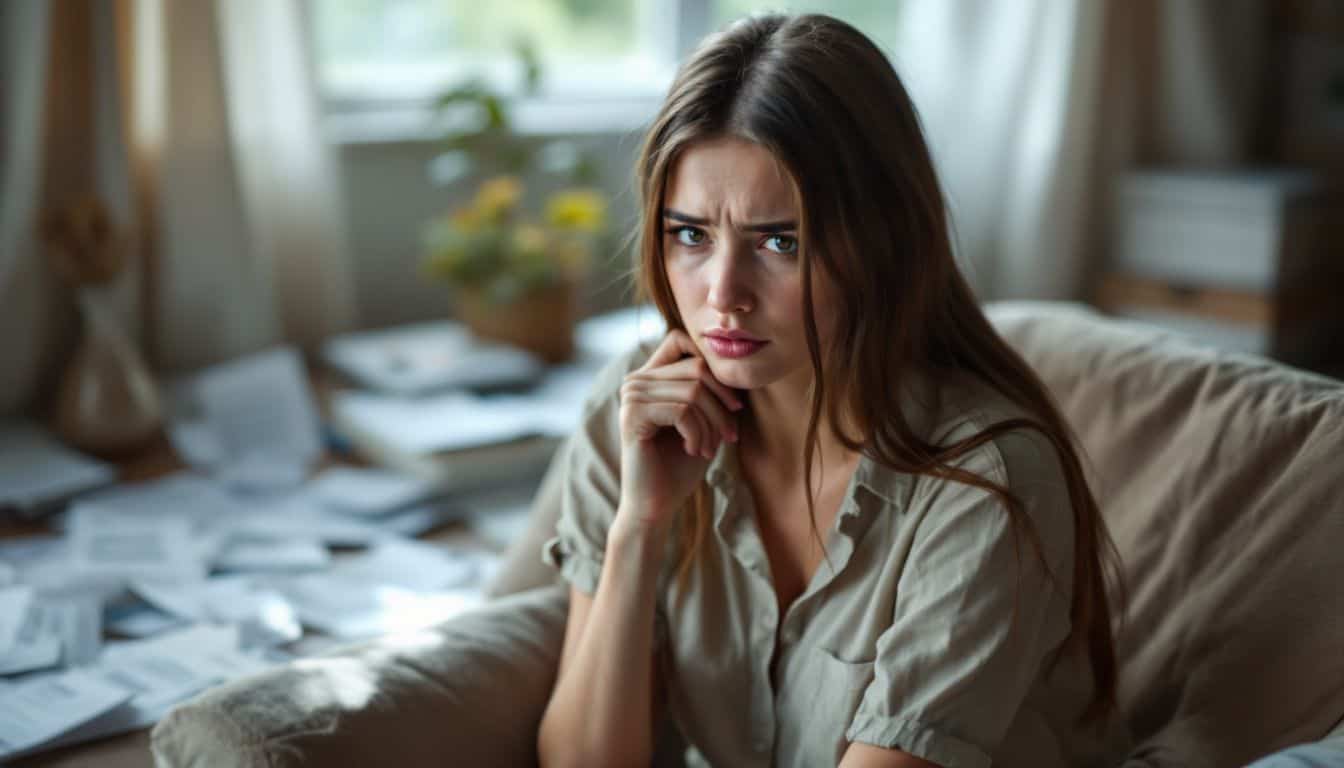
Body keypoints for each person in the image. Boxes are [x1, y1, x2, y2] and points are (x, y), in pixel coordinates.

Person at [537, 12, 1128, 768]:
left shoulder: (986, 482)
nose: (724, 294)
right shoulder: (640, 407)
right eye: (690, 234)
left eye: (782, 242)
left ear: (881, 242)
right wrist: (639, 527)